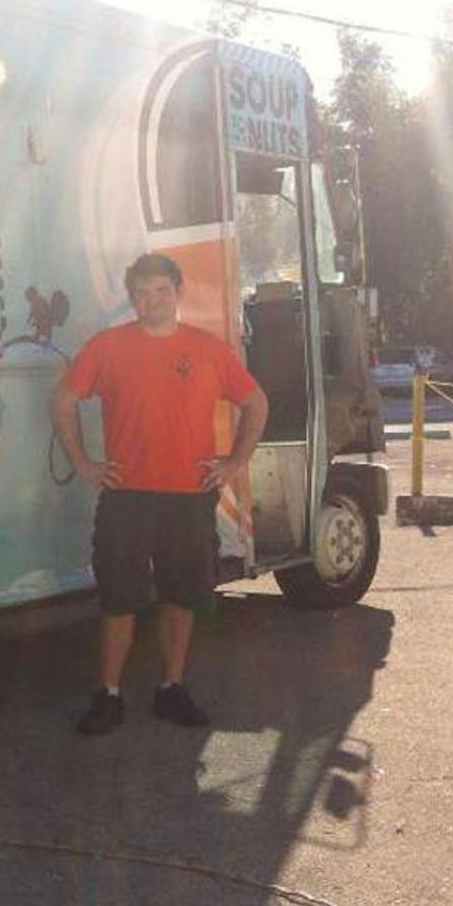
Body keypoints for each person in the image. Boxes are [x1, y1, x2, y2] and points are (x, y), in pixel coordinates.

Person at [51, 253, 269, 735]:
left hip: (188, 499)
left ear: (177, 292)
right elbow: (63, 400)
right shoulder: (108, 347)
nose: (152, 301)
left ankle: (172, 688)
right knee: (119, 601)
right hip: (126, 498)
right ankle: (108, 694)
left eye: (161, 291)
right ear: (132, 298)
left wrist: (234, 463)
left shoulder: (207, 349)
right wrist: (83, 462)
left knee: (181, 598)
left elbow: (255, 402)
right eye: (143, 293)